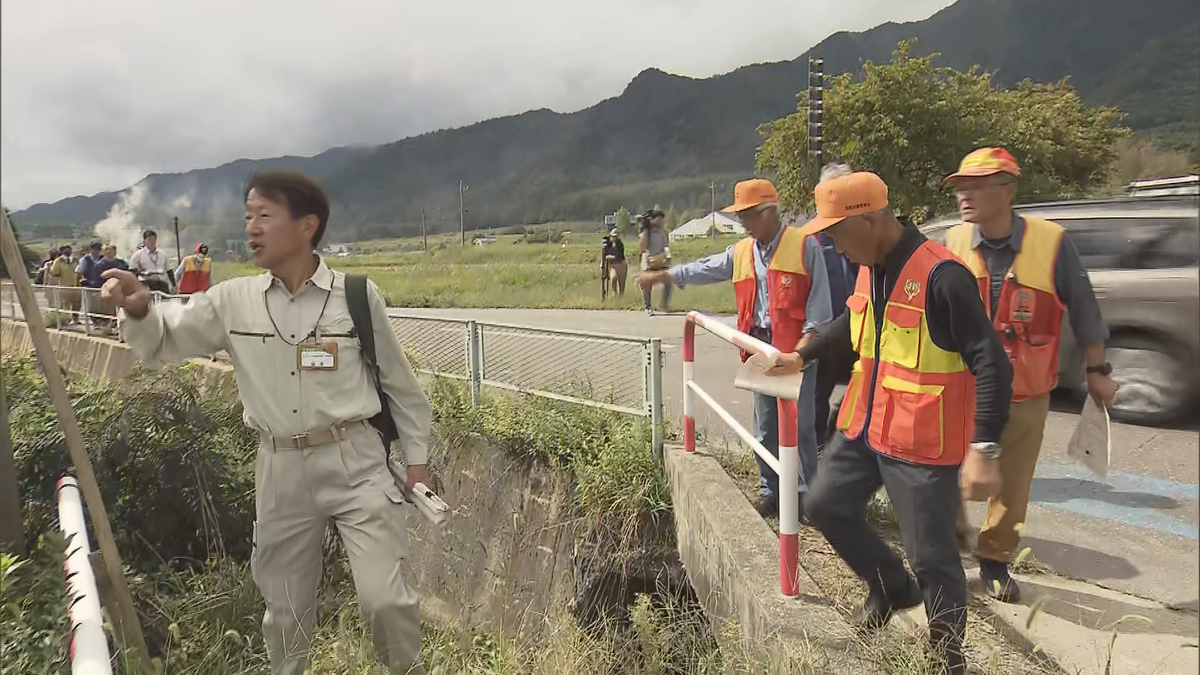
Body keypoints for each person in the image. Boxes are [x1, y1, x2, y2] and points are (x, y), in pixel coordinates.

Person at [103, 170, 431, 675]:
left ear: (306, 226)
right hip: (280, 470)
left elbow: (404, 389)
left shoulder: (357, 297)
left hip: (356, 461)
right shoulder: (233, 301)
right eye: (247, 217)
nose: (251, 228)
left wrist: (418, 464)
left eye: (264, 216)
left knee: (385, 601)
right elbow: (166, 339)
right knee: (286, 619)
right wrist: (143, 309)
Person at [776, 171, 1013, 674]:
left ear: (871, 219)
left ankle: (946, 657)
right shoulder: (869, 265)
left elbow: (993, 363)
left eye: (837, 233)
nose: (834, 247)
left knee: (933, 558)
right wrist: (805, 353)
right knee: (823, 503)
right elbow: (854, 321)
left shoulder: (943, 277)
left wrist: (985, 447)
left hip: (924, 443)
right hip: (867, 426)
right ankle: (889, 585)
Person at [942, 148, 1117, 602]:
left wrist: (1097, 371)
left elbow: (1085, 311)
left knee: (1013, 481)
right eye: (961, 186)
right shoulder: (953, 242)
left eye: (976, 186)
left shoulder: (1052, 243)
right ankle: (950, 537)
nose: (965, 195)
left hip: (1025, 387)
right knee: (946, 467)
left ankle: (995, 560)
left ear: (1008, 191)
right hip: (963, 383)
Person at [639, 179, 832, 517]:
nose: (743, 222)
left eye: (748, 215)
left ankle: (810, 500)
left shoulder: (805, 246)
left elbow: (820, 311)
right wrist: (667, 276)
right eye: (741, 216)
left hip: (797, 350)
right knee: (766, 426)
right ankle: (771, 492)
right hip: (758, 346)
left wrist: (801, 352)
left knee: (802, 427)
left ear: (770, 212)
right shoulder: (742, 251)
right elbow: (708, 268)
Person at [811, 163, 860, 449]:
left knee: (864, 390)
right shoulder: (809, 241)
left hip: (859, 333)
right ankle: (817, 452)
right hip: (824, 337)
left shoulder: (862, 235)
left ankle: (833, 438)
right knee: (816, 398)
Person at [638, 209, 671, 314]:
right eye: (659, 219)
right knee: (647, 284)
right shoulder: (646, 232)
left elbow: (665, 246)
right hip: (648, 260)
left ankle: (664, 304)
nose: (661, 222)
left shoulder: (662, 232)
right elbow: (642, 247)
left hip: (660, 259)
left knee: (668, 281)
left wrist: (668, 257)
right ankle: (647, 307)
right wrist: (646, 231)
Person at [48, 245, 81, 323]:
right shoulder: (58, 261)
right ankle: (66, 319)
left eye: (69, 250)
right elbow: (54, 272)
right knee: (65, 304)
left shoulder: (76, 260)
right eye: (65, 251)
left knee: (77, 303)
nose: (68, 252)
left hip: (76, 286)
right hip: (64, 286)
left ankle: (75, 319)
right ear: (62, 252)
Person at [76, 241, 106, 328]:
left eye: (98, 249)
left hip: (101, 285)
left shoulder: (102, 259)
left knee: (101, 305)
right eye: (95, 249)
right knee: (91, 305)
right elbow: (79, 271)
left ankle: (101, 322)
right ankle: (95, 322)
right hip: (90, 285)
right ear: (91, 249)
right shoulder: (85, 259)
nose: (96, 251)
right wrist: (83, 280)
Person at [602, 229, 627, 295]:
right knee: (613, 278)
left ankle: (621, 297)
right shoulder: (608, 245)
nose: (613, 238)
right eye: (612, 236)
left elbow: (619, 256)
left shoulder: (620, 245)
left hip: (621, 264)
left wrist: (611, 256)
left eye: (615, 236)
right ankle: (614, 293)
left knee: (621, 284)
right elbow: (604, 254)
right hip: (613, 265)